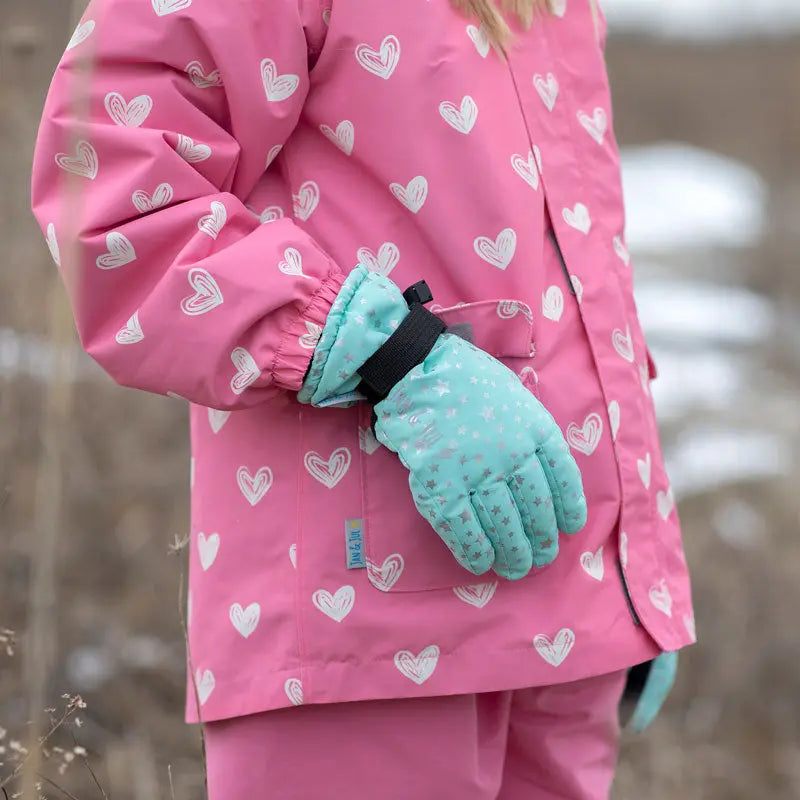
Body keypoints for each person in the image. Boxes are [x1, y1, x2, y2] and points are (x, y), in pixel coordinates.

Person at [30, 0, 695, 797]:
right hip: (362, 630)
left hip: (566, 612)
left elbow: (578, 273)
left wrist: (631, 572)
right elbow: (112, 193)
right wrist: (393, 355)